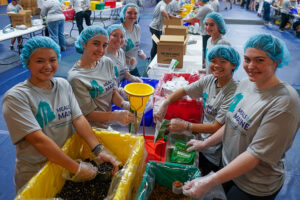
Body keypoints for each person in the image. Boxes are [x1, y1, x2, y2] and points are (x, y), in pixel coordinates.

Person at [183, 34, 300, 200]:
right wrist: (205, 143)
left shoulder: (285, 104)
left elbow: (255, 155)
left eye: (259, 60)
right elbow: (230, 122)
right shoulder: (246, 84)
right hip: (227, 168)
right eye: (247, 59)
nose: (251, 66)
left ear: (276, 61)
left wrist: (210, 180)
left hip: (253, 185)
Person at [1, 36, 119, 193]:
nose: (47, 66)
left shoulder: (63, 85)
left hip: (64, 165)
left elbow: (79, 119)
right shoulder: (16, 97)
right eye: (40, 61)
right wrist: (76, 168)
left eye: (52, 59)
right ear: (27, 62)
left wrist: (98, 150)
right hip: (37, 173)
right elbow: (38, 140)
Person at [154, 45, 240, 176]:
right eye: (213, 61)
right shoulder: (210, 80)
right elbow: (184, 90)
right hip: (203, 141)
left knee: (211, 179)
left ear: (233, 65)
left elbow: (216, 127)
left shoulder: (233, 91)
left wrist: (186, 126)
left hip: (218, 149)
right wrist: (165, 103)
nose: (217, 65)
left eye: (223, 62)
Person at [68, 26, 134, 129]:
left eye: (104, 45)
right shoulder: (76, 78)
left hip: (106, 123)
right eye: (96, 44)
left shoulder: (107, 62)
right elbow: (87, 114)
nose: (101, 50)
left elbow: (112, 91)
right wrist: (114, 116)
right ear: (84, 44)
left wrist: (123, 104)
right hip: (90, 128)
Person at [120, 3, 147, 76]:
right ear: (124, 13)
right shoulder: (119, 30)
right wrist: (128, 61)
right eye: (129, 13)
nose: (132, 16)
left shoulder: (137, 28)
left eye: (135, 13)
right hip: (122, 69)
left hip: (133, 67)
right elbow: (113, 54)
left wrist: (139, 52)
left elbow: (134, 44)